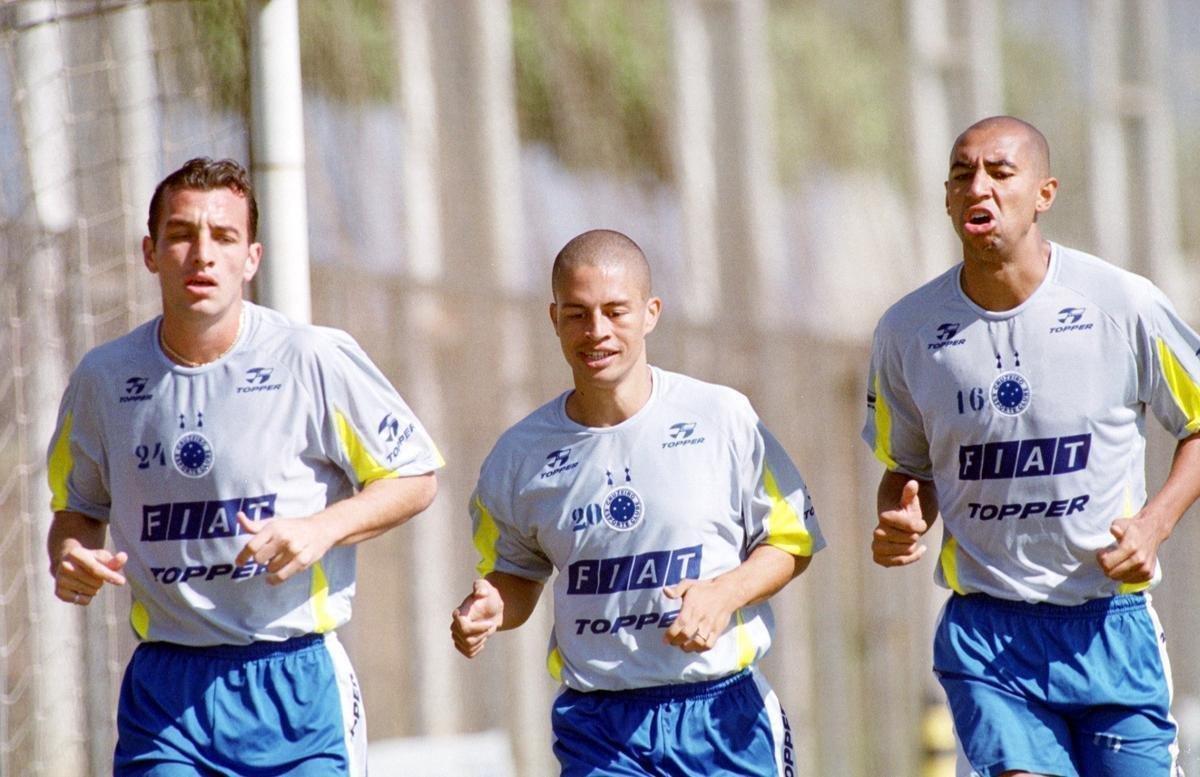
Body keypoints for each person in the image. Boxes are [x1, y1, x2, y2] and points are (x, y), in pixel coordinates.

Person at [46, 157, 443, 776]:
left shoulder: (312, 358)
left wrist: (321, 529)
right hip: (167, 693)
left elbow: (415, 477)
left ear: (251, 258)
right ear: (150, 252)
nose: (201, 254)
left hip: (295, 686)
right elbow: (78, 509)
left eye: (223, 237)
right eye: (181, 234)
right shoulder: (103, 378)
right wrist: (69, 553)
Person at [863, 116, 1200, 777]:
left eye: (999, 171)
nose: (977, 187)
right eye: (962, 175)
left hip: (1109, 623)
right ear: (947, 197)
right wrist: (902, 517)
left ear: (1044, 192)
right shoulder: (907, 330)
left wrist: (1154, 525)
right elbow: (906, 467)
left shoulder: (1120, 303)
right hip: (990, 637)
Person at [450, 228, 824, 776]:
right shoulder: (519, 455)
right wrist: (489, 608)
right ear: (554, 319)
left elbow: (793, 541)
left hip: (722, 715)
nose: (596, 331)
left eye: (615, 311)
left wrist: (723, 595)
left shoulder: (721, 418)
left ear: (651, 313)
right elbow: (517, 574)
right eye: (577, 314)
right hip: (600, 727)